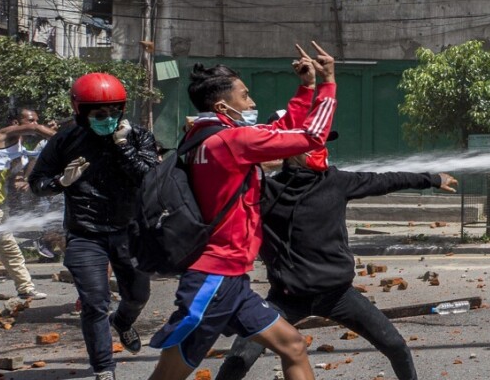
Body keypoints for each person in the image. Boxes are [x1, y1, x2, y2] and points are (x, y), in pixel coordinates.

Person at [146, 42, 338, 380]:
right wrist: (327, 83)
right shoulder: (231, 142)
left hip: (230, 278)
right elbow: (311, 135)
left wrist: (304, 88)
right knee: (168, 376)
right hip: (214, 279)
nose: (252, 103)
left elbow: (277, 133)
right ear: (223, 105)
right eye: (245, 96)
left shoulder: (203, 137)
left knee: (292, 345)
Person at [214, 122, 458, 380]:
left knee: (396, 346)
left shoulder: (336, 181)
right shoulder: (264, 190)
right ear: (291, 149)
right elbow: (221, 176)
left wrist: (432, 179)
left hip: (338, 295)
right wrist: (264, 162)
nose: (321, 149)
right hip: (285, 299)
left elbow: (386, 180)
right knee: (239, 359)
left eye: (322, 142)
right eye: (312, 143)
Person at [28, 74, 159, 380]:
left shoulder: (138, 136)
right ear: (81, 111)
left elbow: (150, 178)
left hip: (130, 231)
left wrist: (123, 145)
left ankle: (124, 323)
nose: (109, 118)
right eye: (100, 114)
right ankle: (104, 369)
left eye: (115, 111)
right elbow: (37, 183)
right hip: (85, 232)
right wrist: (60, 182)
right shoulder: (64, 140)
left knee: (138, 295)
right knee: (94, 302)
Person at [0, 107, 56, 299]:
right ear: (15, 123)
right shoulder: (3, 134)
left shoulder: (18, 148)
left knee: (10, 250)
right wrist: (64, 138)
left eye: (37, 120)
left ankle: (25, 289)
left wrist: (20, 180)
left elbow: (15, 174)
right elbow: (36, 130)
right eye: (30, 120)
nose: (35, 124)